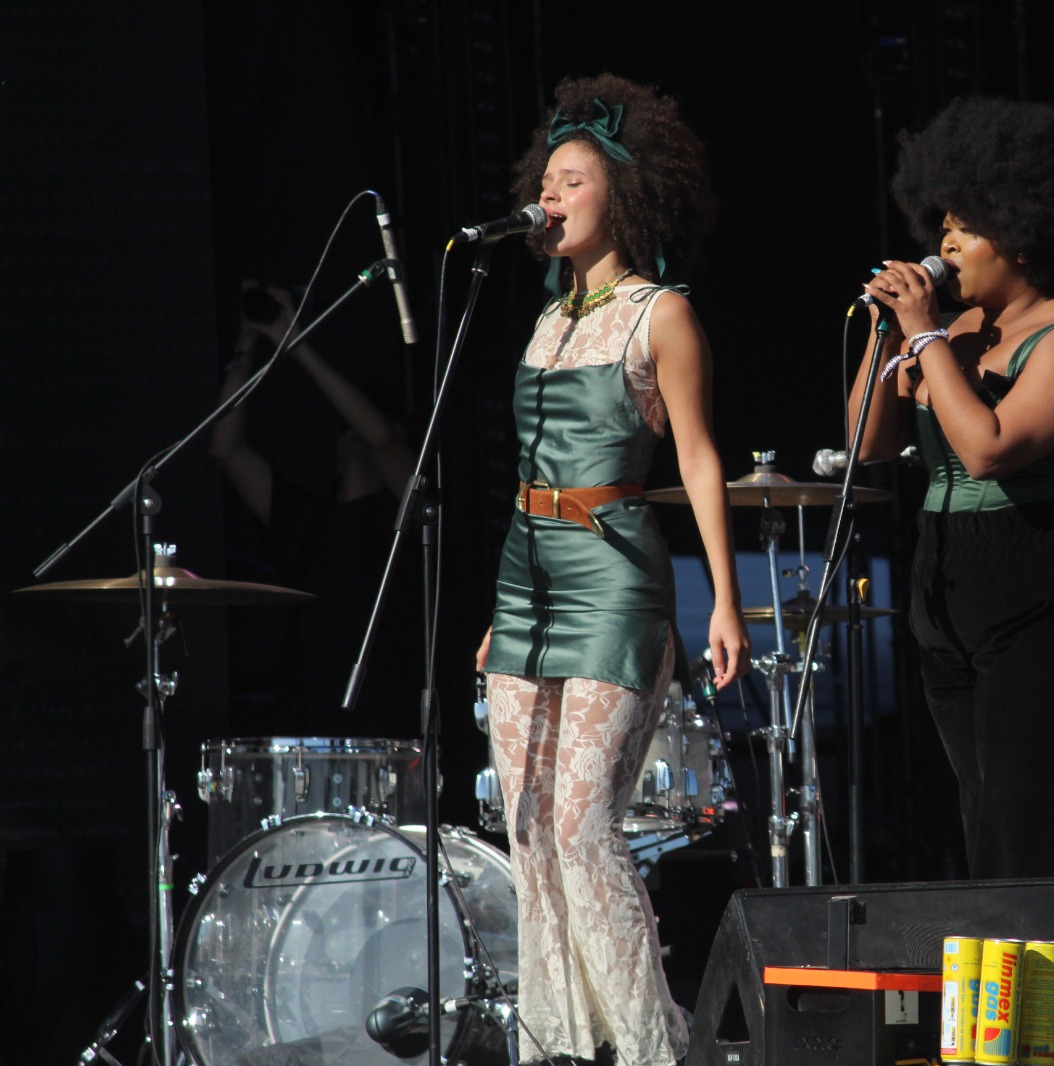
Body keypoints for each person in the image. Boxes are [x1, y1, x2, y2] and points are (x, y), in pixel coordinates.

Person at [471, 75, 750, 1066]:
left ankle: (649, 1047)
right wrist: (501, 610)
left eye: (572, 181)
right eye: (544, 182)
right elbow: (526, 475)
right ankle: (557, 1043)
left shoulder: (658, 314)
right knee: (528, 829)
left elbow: (699, 459)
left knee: (584, 825)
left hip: (613, 572)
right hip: (526, 575)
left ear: (622, 197)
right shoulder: (547, 321)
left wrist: (722, 600)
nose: (548, 197)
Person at [845, 96, 1054, 879]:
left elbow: (990, 451)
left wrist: (925, 336)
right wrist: (889, 332)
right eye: (943, 227)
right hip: (951, 575)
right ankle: (1009, 960)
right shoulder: (948, 334)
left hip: (1052, 581)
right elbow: (868, 443)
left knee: (1038, 820)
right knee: (984, 815)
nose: (945, 244)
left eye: (968, 228)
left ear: (1024, 235)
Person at [210, 281, 418, 736]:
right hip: (313, 719)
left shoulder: (404, 517)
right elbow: (226, 450)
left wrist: (295, 343)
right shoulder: (305, 518)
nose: (355, 435)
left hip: (392, 719)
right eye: (347, 428)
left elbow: (380, 438)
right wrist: (247, 346)